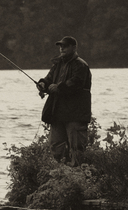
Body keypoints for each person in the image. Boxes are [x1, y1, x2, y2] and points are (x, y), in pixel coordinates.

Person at [37, 36, 92, 167]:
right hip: (58, 114)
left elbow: (76, 83)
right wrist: (42, 84)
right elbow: (49, 79)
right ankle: (61, 174)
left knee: (77, 148)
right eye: (61, 46)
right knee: (56, 147)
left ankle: (78, 176)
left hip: (75, 114)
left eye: (65, 46)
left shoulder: (81, 65)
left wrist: (59, 87)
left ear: (74, 48)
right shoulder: (57, 65)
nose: (62, 48)